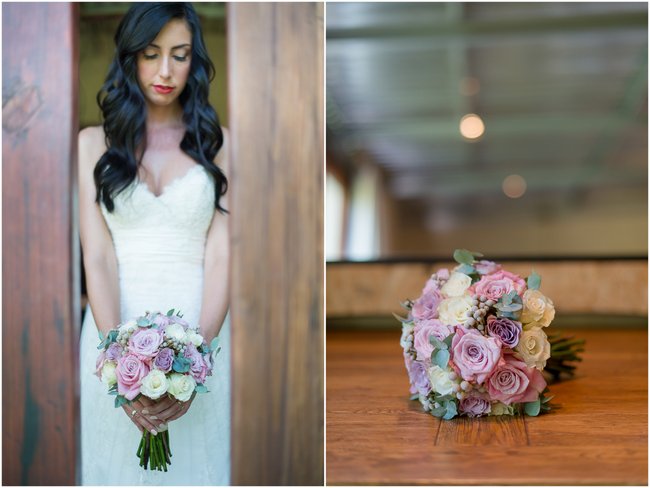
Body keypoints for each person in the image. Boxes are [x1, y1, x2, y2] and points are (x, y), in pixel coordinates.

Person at [78, 3, 230, 484]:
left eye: (180, 55)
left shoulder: (221, 143)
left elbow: (223, 253)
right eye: (151, 53)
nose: (166, 71)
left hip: (205, 325)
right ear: (130, 58)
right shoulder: (91, 145)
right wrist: (118, 360)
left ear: (195, 61)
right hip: (111, 324)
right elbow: (97, 258)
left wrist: (197, 361)